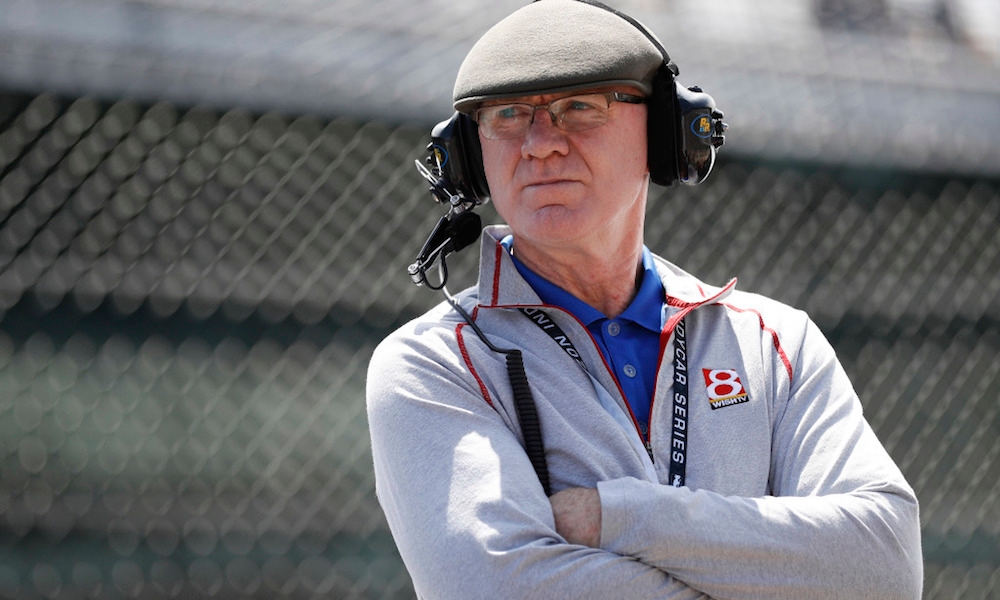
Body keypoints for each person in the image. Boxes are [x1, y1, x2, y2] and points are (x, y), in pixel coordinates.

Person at [366, 1, 923, 598]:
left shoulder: (775, 343)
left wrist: (617, 516)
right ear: (470, 157)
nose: (539, 144)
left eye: (579, 107)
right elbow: (492, 586)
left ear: (664, 133)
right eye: (507, 115)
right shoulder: (434, 363)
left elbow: (884, 567)